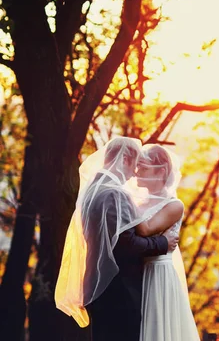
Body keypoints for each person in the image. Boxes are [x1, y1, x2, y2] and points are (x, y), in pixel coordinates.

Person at [55, 136, 179, 341]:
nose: (133, 174)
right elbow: (125, 245)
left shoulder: (93, 189)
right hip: (118, 290)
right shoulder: (114, 194)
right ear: (126, 160)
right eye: (134, 165)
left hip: (99, 284)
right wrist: (162, 243)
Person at [133, 144, 200, 341]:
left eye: (143, 167)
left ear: (161, 170)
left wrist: (125, 201)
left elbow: (145, 229)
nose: (137, 172)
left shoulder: (173, 205)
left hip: (158, 275)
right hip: (137, 272)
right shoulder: (138, 203)